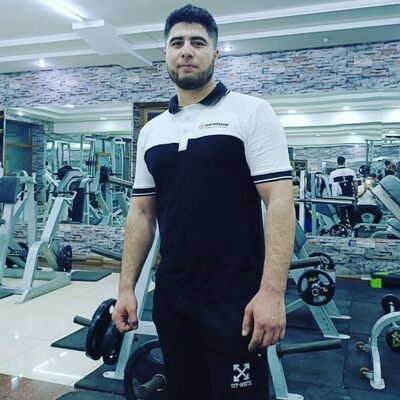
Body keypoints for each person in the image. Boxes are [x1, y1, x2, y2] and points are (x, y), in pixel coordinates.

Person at [112, 4, 295, 400]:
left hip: (235, 299)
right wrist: (127, 288)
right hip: (172, 296)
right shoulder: (152, 131)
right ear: (165, 53)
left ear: (215, 53)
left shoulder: (251, 112)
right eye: (177, 42)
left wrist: (272, 292)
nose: (186, 51)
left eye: (197, 42)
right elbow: (141, 213)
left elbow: (280, 201)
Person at [329, 156, 358, 226]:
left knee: (342, 213)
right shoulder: (351, 172)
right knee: (351, 212)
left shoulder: (333, 173)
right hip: (349, 194)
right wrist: (356, 195)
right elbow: (355, 185)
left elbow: (331, 186)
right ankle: (354, 227)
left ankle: (343, 227)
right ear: (345, 162)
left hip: (340, 196)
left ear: (337, 162)